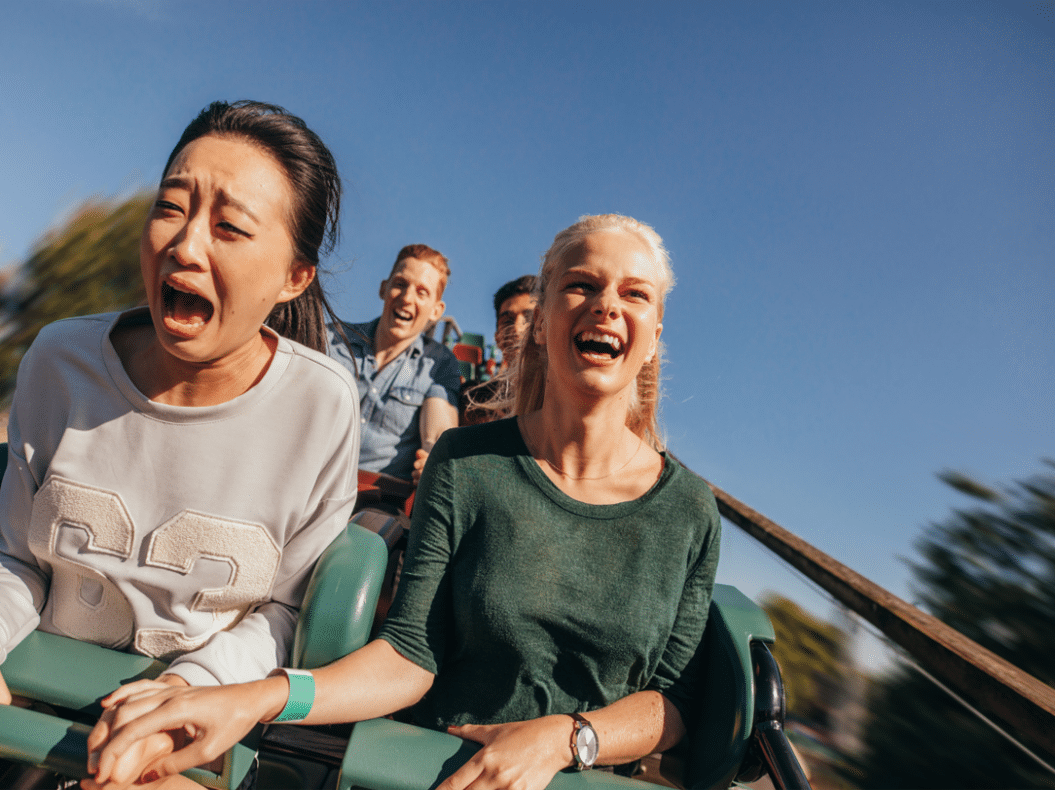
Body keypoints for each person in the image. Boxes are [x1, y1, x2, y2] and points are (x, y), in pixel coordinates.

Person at [84, 214, 722, 790]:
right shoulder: (470, 465)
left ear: (654, 330)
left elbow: (672, 701)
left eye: (634, 293)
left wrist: (565, 738)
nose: (607, 306)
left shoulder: (689, 509)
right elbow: (412, 653)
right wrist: (254, 698)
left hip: (579, 774)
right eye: (582, 285)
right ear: (546, 312)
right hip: (433, 769)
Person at [0, 100, 359, 790]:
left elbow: (285, 611)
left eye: (231, 227)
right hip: (21, 690)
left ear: (293, 278)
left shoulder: (322, 406)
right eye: (171, 208)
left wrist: (194, 686)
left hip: (186, 724)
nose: (185, 246)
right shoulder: (59, 360)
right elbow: (16, 556)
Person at [326, 245, 460, 484]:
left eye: (422, 292)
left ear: (436, 311)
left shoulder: (438, 363)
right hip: (306, 482)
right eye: (400, 284)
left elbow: (437, 434)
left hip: (376, 502)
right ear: (383, 288)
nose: (407, 298)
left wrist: (432, 457)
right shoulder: (331, 339)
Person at [461, 274, 537, 424]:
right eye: (507, 321)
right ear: (497, 338)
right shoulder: (473, 399)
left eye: (529, 318)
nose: (517, 329)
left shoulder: (570, 399)